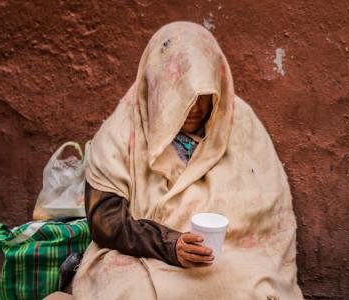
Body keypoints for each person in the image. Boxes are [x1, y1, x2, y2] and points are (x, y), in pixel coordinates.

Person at [69, 21, 303, 299]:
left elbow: (269, 224)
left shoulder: (241, 125)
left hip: (229, 257)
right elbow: (105, 223)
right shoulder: (121, 134)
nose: (194, 107)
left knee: (256, 289)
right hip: (144, 255)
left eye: (203, 95)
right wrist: (169, 244)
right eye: (179, 95)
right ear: (157, 87)